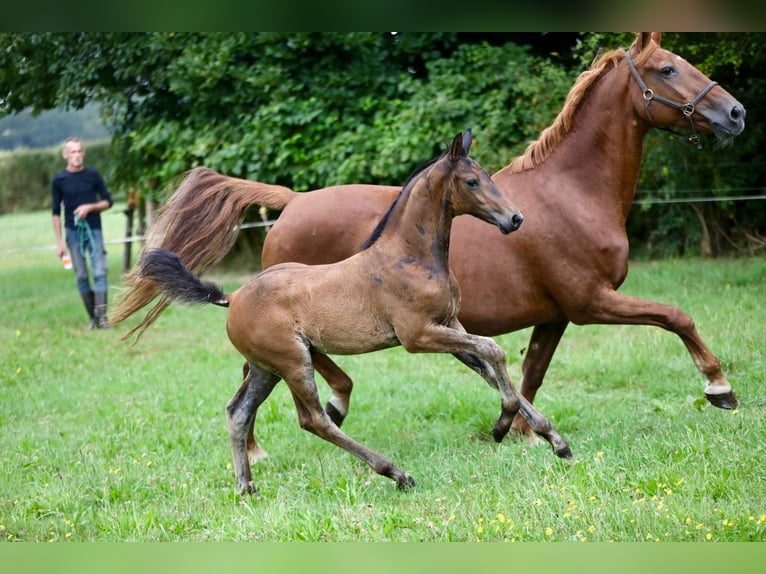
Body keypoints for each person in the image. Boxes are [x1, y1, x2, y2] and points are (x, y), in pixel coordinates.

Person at [51, 137, 114, 329]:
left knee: (100, 272)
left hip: (94, 230)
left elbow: (107, 201)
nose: (77, 155)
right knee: (81, 275)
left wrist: (90, 207)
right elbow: (55, 212)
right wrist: (60, 242)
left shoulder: (93, 175)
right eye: (73, 152)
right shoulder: (59, 180)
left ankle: (102, 318)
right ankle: (93, 318)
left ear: (83, 153)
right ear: (65, 155)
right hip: (72, 232)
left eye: (79, 151)